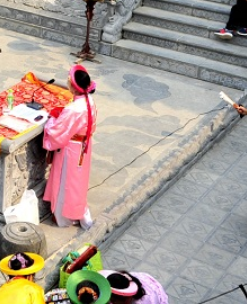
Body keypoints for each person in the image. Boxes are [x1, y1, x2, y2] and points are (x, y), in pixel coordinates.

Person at [44, 64, 97, 230]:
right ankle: (78, 211)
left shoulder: (74, 109)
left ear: (73, 87)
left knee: (66, 182)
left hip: (71, 150)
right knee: (78, 183)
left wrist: (51, 120)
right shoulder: (89, 100)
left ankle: (65, 218)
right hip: (84, 146)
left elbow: (56, 132)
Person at [99, 270, 168, 303]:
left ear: (127, 298)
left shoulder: (146, 300)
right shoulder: (125, 280)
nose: (111, 302)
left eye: (114, 300)